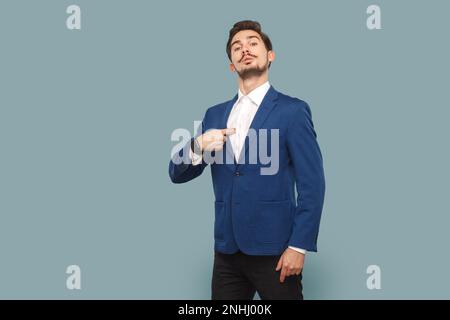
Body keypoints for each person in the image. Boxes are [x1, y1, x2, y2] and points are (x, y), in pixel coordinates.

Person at [169, 20, 325, 300]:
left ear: (270, 55)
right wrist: (197, 144)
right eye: (236, 47)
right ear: (231, 64)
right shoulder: (214, 114)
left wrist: (299, 246)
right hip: (227, 251)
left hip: (276, 251)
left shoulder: (292, 110)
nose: (245, 49)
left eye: (253, 43)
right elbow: (176, 174)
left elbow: (312, 184)